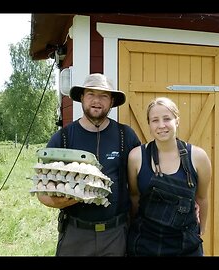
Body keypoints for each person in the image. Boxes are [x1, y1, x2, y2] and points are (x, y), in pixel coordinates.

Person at [37, 73, 141, 256]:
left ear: (112, 101)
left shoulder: (126, 136)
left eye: (104, 95)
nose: (96, 101)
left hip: (115, 235)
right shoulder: (63, 138)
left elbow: (141, 185)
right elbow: (42, 192)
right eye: (91, 94)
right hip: (75, 234)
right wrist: (63, 200)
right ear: (82, 98)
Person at [126, 97, 212, 256]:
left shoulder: (198, 157)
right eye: (155, 120)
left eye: (167, 119)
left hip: (185, 245)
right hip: (145, 244)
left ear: (177, 121)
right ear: (149, 125)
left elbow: (202, 198)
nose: (161, 125)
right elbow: (134, 197)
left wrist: (201, 229)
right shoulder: (136, 157)